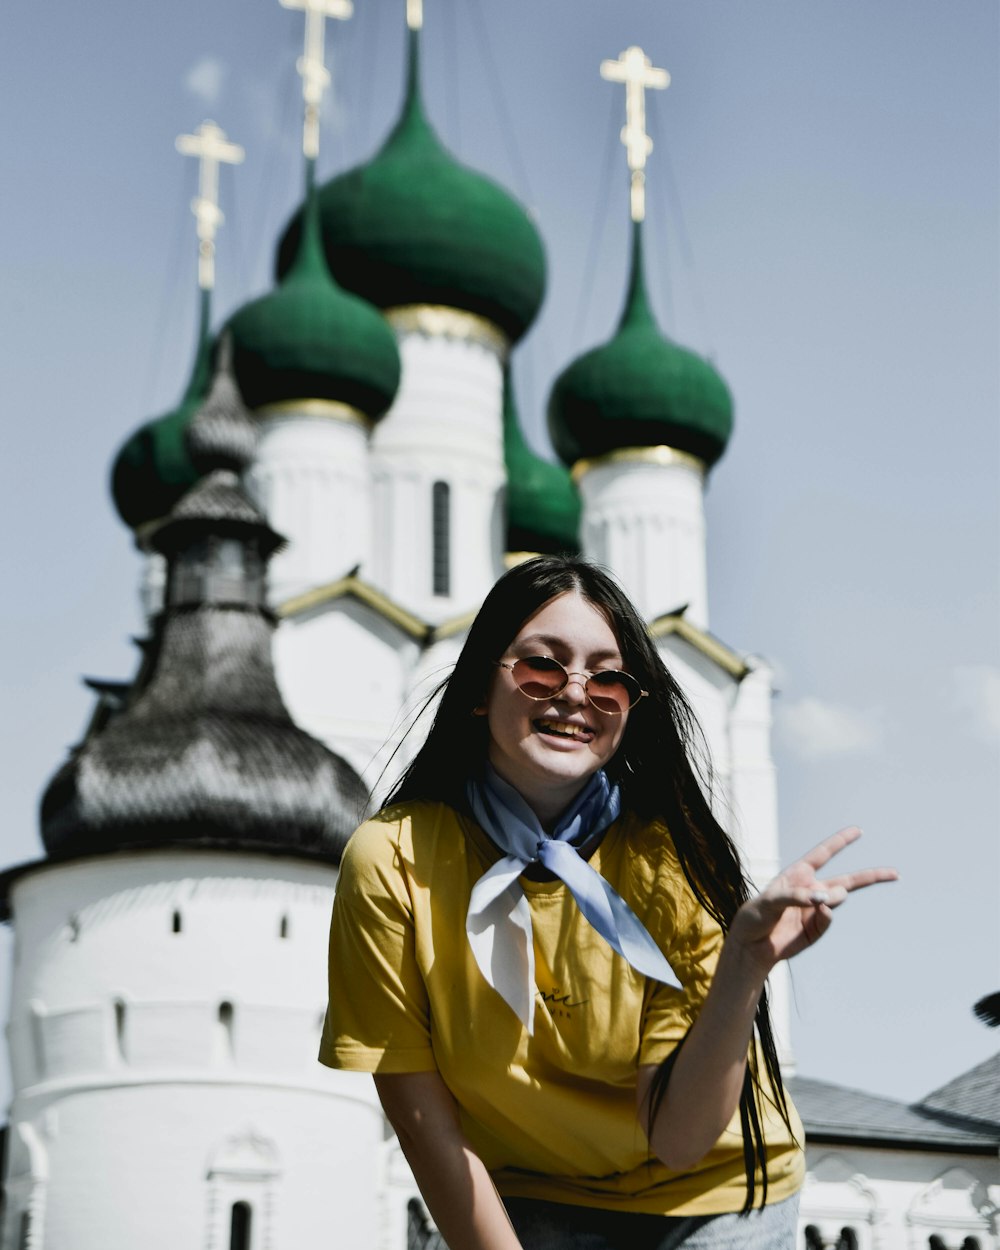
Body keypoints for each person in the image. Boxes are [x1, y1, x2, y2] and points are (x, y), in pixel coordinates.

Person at [321, 555, 897, 1250]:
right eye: (542, 666)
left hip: (710, 1202)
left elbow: (681, 1139)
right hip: (525, 1189)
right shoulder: (392, 859)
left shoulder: (671, 863)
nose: (575, 694)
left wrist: (742, 969)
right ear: (478, 687)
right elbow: (422, 1122)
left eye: (609, 678)